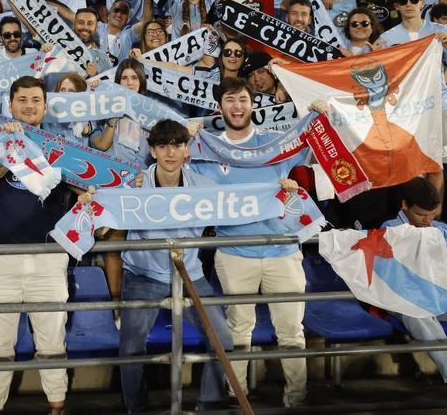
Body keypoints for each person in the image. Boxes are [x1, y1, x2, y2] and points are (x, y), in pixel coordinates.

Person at [190, 77, 311, 408]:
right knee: (238, 330)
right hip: (234, 253)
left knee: (291, 330)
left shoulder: (275, 143)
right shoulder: (206, 149)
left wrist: (321, 115)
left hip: (283, 249)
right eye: (230, 100)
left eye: (243, 99)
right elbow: (177, 176)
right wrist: (185, 138)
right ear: (219, 107)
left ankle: (298, 398)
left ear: (253, 104)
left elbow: (314, 149)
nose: (237, 106)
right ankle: (236, 396)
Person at [0, 76, 79, 415]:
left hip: (48, 258)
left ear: (45, 106)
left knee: (52, 341)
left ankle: (57, 407)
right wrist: (8, 157)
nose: (29, 106)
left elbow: (86, 184)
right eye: (22, 100)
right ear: (10, 104)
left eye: (35, 100)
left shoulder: (61, 146)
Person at [118, 119, 236, 412]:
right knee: (130, 348)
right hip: (143, 275)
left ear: (187, 149)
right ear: (152, 151)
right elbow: (100, 212)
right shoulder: (132, 184)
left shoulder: (204, 187)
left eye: (177, 145)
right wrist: (90, 199)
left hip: (190, 273)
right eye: (163, 146)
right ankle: (136, 410)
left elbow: (245, 200)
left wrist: (280, 190)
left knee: (223, 339)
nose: (170, 153)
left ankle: (209, 405)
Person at [379, 178, 447, 401]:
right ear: (405, 205)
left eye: (432, 214)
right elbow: (391, 277)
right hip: (404, 298)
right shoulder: (389, 229)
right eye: (421, 215)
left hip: (441, 298)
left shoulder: (438, 228)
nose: (427, 221)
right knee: (417, 312)